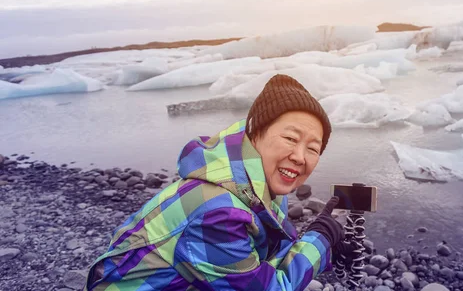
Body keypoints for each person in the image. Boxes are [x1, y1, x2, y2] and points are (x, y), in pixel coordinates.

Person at [84, 74, 349, 291]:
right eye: (291, 139)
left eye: (313, 149)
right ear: (255, 133)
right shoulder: (217, 211)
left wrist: (324, 247)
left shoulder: (253, 182)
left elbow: (261, 257)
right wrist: (319, 241)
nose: (300, 157)